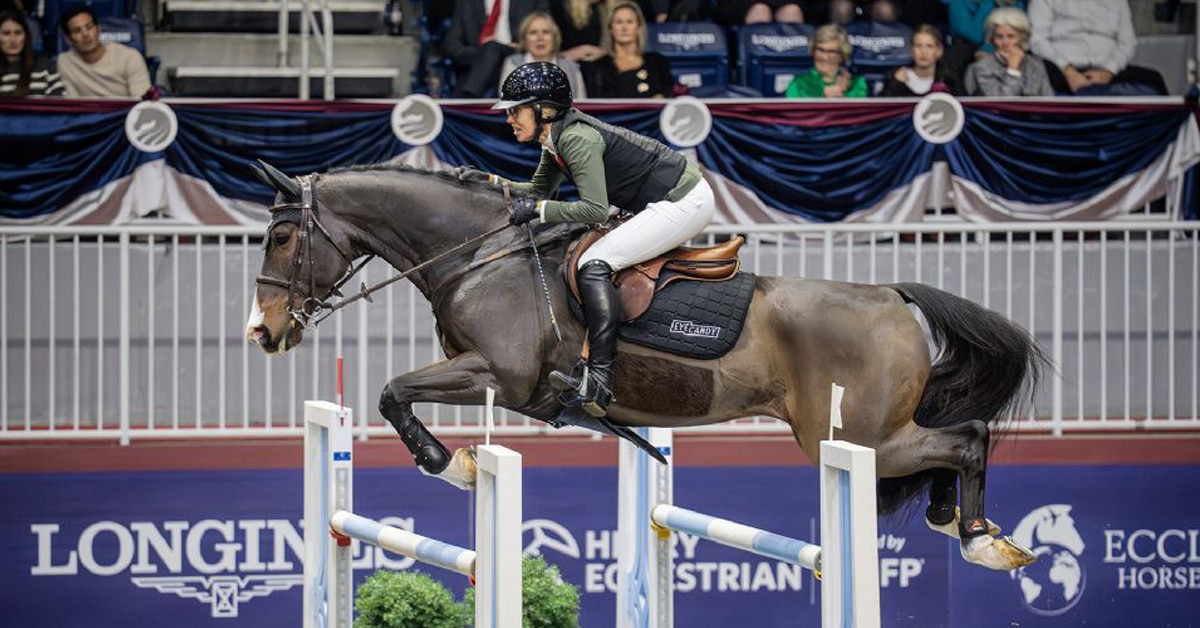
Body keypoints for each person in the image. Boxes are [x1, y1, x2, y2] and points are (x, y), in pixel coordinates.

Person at [457, 61, 715, 417]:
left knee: (595, 264)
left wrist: (540, 211)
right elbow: (535, 191)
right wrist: (489, 183)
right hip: (659, 198)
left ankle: (600, 376)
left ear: (543, 110)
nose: (509, 119)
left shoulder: (576, 138)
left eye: (515, 111)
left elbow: (593, 209)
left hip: (684, 201)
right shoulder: (555, 137)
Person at [1029, 0, 1168, 95]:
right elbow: (1037, 39)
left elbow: (1127, 41)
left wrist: (1108, 71)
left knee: (1153, 80)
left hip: (1107, 70)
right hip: (1059, 68)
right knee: (1034, 76)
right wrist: (1068, 71)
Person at [444, 0, 550, 97]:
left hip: (517, 58)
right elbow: (452, 47)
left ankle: (468, 96)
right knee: (490, 50)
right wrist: (483, 55)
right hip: (476, 63)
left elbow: (547, 33)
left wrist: (523, 46)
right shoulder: (467, 3)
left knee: (492, 48)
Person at [57, 5, 150, 98]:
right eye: (77, 31)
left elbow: (142, 103)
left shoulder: (130, 57)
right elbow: (72, 103)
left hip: (127, 111)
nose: (85, 34)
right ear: (68, 39)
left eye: (89, 27)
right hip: (88, 112)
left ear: (98, 29)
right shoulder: (65, 61)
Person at [583, 2, 673, 98]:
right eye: (619, 22)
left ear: (638, 27)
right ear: (610, 29)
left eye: (629, 22)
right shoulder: (598, 68)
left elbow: (667, 95)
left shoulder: (657, 63)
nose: (624, 28)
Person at [964, 7, 1053, 96]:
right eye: (999, 37)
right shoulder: (983, 67)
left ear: (1022, 39)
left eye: (1011, 36)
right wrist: (1013, 70)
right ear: (992, 39)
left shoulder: (1035, 64)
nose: (1005, 43)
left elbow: (1049, 100)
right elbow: (1003, 103)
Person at [498, 11, 587, 97]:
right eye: (533, 33)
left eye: (546, 32)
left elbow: (582, 105)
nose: (540, 38)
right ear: (524, 39)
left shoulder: (571, 67)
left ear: (555, 38)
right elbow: (507, 101)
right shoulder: (513, 64)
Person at [784, 23, 866, 98]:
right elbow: (793, 112)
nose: (824, 57)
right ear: (813, 50)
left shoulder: (856, 83)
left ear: (841, 55)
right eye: (820, 50)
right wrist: (823, 97)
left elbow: (861, 112)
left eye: (831, 51)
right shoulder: (799, 83)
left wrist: (844, 96)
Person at [879, 24, 961, 97]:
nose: (923, 51)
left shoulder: (948, 80)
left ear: (939, 51)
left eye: (929, 46)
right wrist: (897, 85)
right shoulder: (896, 77)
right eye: (918, 46)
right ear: (911, 50)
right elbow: (882, 109)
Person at [0, 11, 64, 97]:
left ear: (26, 36)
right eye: (6, 33)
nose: (13, 40)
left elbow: (59, 105)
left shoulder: (46, 66)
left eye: (18, 33)